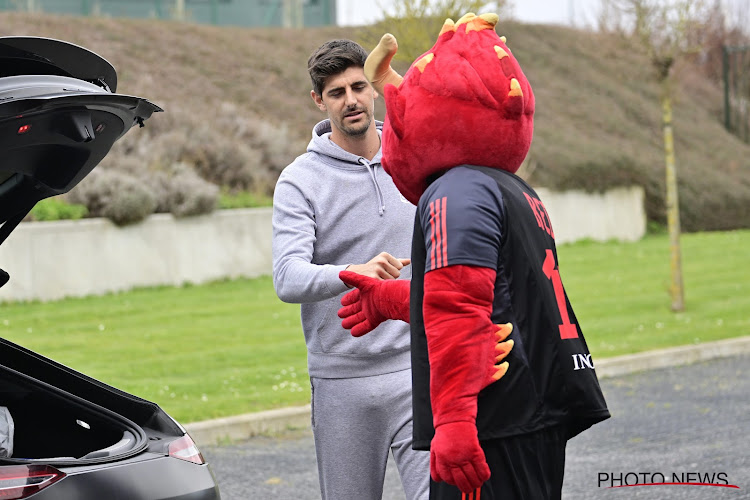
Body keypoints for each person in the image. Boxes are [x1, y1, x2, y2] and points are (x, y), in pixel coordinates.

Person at [337, 13, 610, 499]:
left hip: (494, 417)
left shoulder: (455, 191)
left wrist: (456, 420)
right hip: (536, 407)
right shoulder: (510, 188)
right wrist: (392, 299)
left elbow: (458, 307)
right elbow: (493, 292)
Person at [271, 39, 430, 500]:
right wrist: (351, 272)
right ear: (319, 101)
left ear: (374, 89)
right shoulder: (300, 179)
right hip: (341, 382)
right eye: (337, 92)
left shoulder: (414, 159)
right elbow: (287, 276)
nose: (351, 99)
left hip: (418, 369)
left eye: (359, 86)